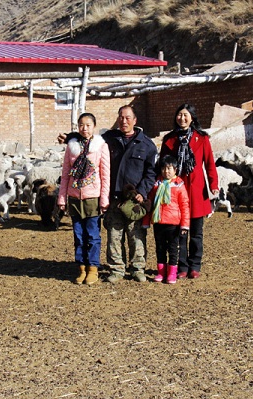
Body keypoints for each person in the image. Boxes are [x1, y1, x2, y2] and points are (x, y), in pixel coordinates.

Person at [60, 105, 158, 283]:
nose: (124, 121)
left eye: (128, 118)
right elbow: (87, 137)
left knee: (136, 235)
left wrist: (143, 192)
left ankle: (137, 268)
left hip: (135, 199)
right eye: (121, 117)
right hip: (114, 196)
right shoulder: (109, 139)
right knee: (114, 235)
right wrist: (70, 137)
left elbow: (151, 172)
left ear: (135, 121)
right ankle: (116, 269)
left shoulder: (146, 145)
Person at [159, 103, 219, 279]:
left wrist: (213, 184)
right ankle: (182, 265)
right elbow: (162, 165)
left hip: (197, 190)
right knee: (179, 233)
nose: (182, 118)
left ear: (192, 117)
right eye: (179, 115)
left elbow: (209, 163)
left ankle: (195, 265)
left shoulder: (202, 138)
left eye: (185, 115)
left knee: (196, 232)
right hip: (177, 190)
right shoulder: (170, 140)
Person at [57, 113, 110, 285]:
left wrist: (104, 199)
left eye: (88, 125)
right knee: (78, 236)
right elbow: (65, 174)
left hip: (92, 197)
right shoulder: (72, 146)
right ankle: (81, 267)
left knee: (93, 236)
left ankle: (93, 268)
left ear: (94, 126)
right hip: (74, 197)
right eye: (81, 125)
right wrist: (62, 198)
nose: (84, 128)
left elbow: (105, 174)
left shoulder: (100, 146)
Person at [142, 155, 190, 284]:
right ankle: (161, 272)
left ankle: (172, 273)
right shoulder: (156, 184)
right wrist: (146, 221)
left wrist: (185, 225)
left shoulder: (179, 185)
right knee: (160, 248)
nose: (166, 171)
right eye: (163, 168)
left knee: (173, 249)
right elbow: (150, 203)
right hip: (159, 221)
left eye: (169, 168)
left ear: (175, 169)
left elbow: (185, 205)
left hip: (173, 223)